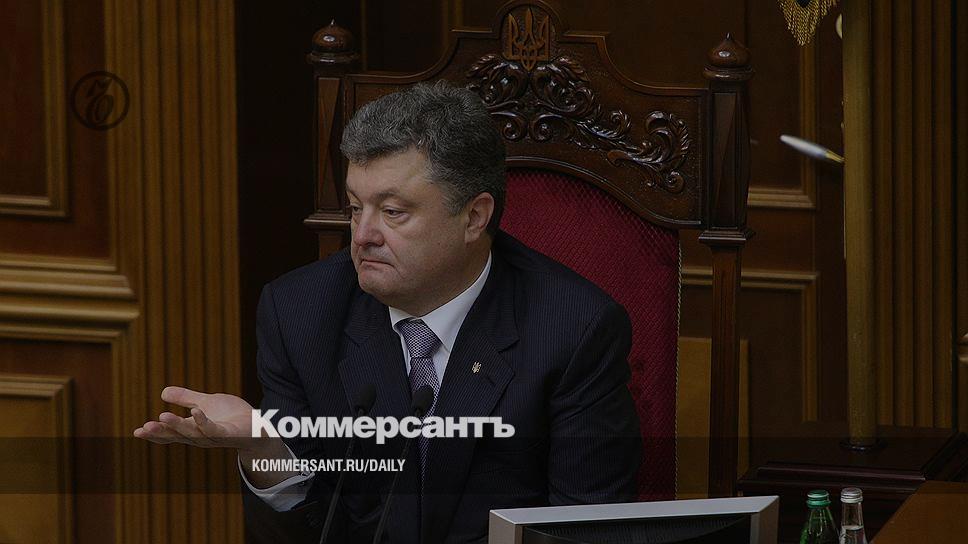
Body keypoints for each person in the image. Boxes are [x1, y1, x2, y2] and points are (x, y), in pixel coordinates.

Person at [134, 81, 641, 543]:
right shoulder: (300, 313)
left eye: (393, 212)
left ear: (474, 217)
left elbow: (587, 530)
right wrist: (262, 449)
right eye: (356, 207)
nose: (362, 236)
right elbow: (302, 532)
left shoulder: (574, 329)